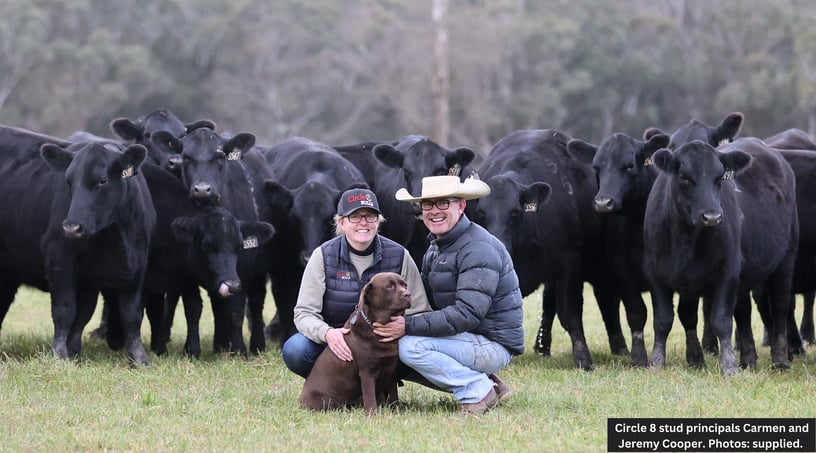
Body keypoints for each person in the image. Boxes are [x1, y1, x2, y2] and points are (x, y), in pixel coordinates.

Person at [373, 175, 525, 415]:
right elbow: (427, 301)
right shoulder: (437, 246)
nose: (434, 211)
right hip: (467, 338)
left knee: (409, 347)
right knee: (395, 345)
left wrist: (407, 325)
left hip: (493, 343)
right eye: (428, 204)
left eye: (443, 203)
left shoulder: (478, 248)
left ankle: (478, 390)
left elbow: (468, 313)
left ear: (461, 205)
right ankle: (492, 383)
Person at [281, 187, 431, 378]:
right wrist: (328, 333)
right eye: (355, 217)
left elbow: (421, 310)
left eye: (370, 216)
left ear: (379, 221)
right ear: (341, 222)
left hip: (384, 342)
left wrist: (402, 326)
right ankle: (334, 384)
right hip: (336, 342)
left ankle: (383, 382)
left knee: (416, 346)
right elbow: (304, 313)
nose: (363, 223)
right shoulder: (322, 256)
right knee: (296, 349)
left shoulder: (400, 255)